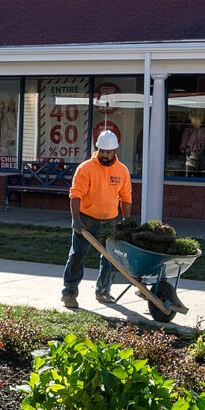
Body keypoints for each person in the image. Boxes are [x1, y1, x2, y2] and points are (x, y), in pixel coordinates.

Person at [61, 130, 132, 309]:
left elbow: (126, 197)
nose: (104, 155)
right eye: (101, 151)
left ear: (115, 151)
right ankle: (69, 293)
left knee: (110, 257)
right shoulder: (86, 168)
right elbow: (75, 194)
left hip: (110, 220)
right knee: (77, 254)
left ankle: (103, 291)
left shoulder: (122, 171)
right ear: (97, 149)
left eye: (108, 152)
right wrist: (76, 218)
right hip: (86, 219)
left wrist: (127, 220)